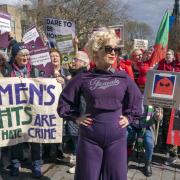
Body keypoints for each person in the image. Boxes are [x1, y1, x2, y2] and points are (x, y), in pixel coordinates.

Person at [57, 30, 142, 180]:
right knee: (87, 176)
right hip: (90, 137)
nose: (113, 53)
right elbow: (64, 102)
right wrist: (76, 117)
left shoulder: (123, 77)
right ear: (96, 52)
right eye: (109, 49)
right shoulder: (83, 77)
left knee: (116, 176)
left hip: (117, 137)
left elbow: (136, 100)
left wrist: (129, 117)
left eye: (116, 50)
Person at [8, 42, 42, 178]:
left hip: (32, 109)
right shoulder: (6, 69)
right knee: (16, 138)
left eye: (27, 54)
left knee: (35, 138)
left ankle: (37, 165)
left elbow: (45, 84)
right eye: (22, 54)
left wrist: (58, 80)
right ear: (15, 56)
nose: (26, 57)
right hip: (15, 110)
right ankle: (15, 164)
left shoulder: (35, 70)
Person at [127, 86, 163, 177]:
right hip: (132, 124)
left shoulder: (153, 96)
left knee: (149, 142)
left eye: (144, 86)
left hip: (146, 125)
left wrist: (158, 115)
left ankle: (147, 164)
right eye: (141, 86)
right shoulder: (132, 93)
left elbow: (159, 114)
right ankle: (123, 160)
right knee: (124, 137)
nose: (142, 89)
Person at [66, 50, 90, 174]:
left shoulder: (84, 75)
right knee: (76, 137)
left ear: (84, 63)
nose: (73, 61)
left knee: (81, 139)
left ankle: (81, 165)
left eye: (75, 59)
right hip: (75, 111)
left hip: (82, 112)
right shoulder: (75, 74)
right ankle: (78, 160)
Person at [157, 49, 178, 165]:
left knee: (174, 127)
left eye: (170, 54)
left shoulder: (177, 65)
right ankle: (166, 148)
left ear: (174, 56)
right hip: (164, 100)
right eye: (167, 54)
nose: (168, 56)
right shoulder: (161, 64)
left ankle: (173, 154)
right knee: (165, 125)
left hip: (175, 101)